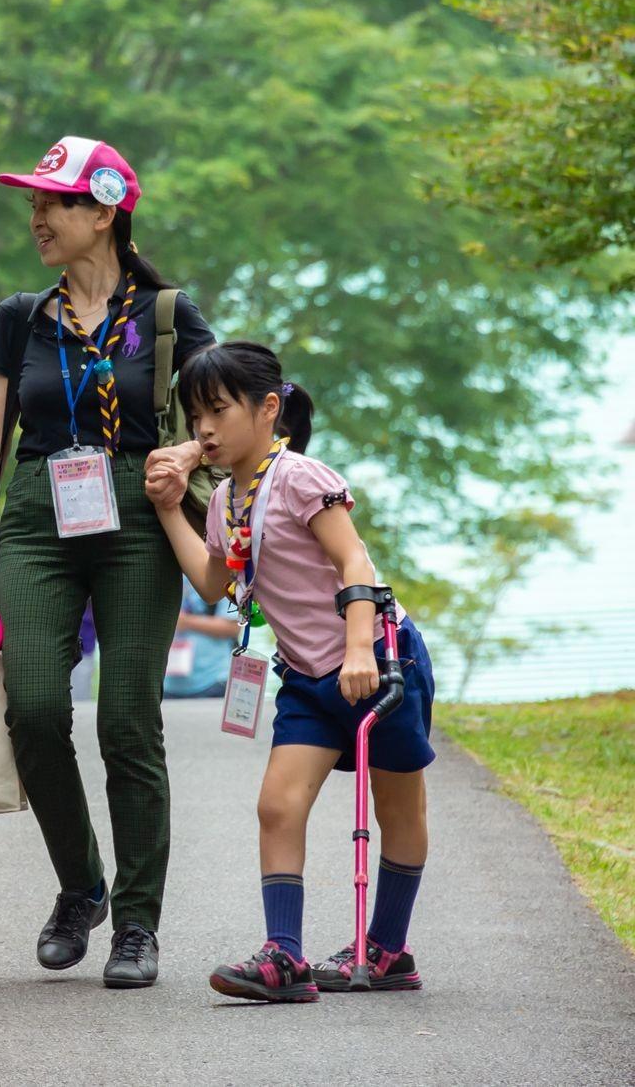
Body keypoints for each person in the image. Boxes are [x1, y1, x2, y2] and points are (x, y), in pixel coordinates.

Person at [0, 137, 216, 990]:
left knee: (127, 720)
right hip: (36, 515)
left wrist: (190, 456)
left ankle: (135, 923)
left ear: (106, 210)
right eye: (34, 204)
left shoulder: (168, 314)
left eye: (54, 202)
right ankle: (81, 883)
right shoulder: (20, 315)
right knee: (37, 708)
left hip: (137, 515)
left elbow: (233, 410)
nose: (38, 218)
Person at [145, 341, 436, 1003]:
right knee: (278, 804)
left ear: (268, 407)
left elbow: (354, 561)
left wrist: (360, 649)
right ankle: (284, 955)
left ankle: (388, 946)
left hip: (381, 665)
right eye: (196, 417)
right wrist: (170, 509)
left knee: (399, 806)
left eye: (218, 411)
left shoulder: (302, 476)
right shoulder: (223, 501)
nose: (205, 430)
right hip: (306, 677)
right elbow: (215, 580)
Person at [163, 585, 242, 700]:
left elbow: (233, 627)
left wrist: (185, 622)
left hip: (212, 680)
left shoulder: (222, 578)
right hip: (165, 684)